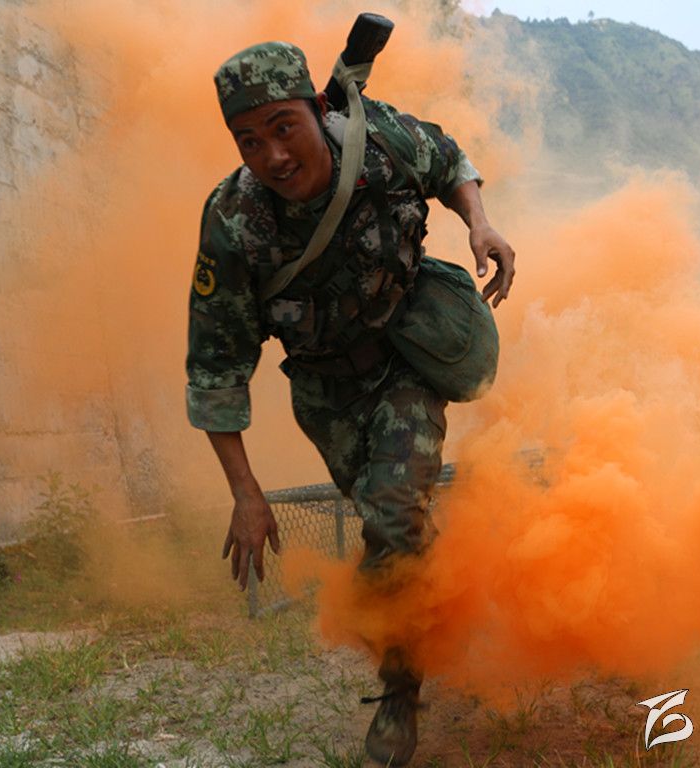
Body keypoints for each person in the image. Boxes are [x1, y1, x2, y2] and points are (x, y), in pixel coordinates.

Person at [186, 41, 515, 766]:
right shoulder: (234, 223)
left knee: (391, 518)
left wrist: (479, 222)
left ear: (317, 109)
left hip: (405, 357)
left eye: (283, 127)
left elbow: (450, 162)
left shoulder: (377, 140)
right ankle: (427, 583)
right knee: (392, 533)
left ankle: (400, 691)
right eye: (249, 140)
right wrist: (246, 495)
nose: (272, 155)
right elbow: (215, 371)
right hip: (325, 395)